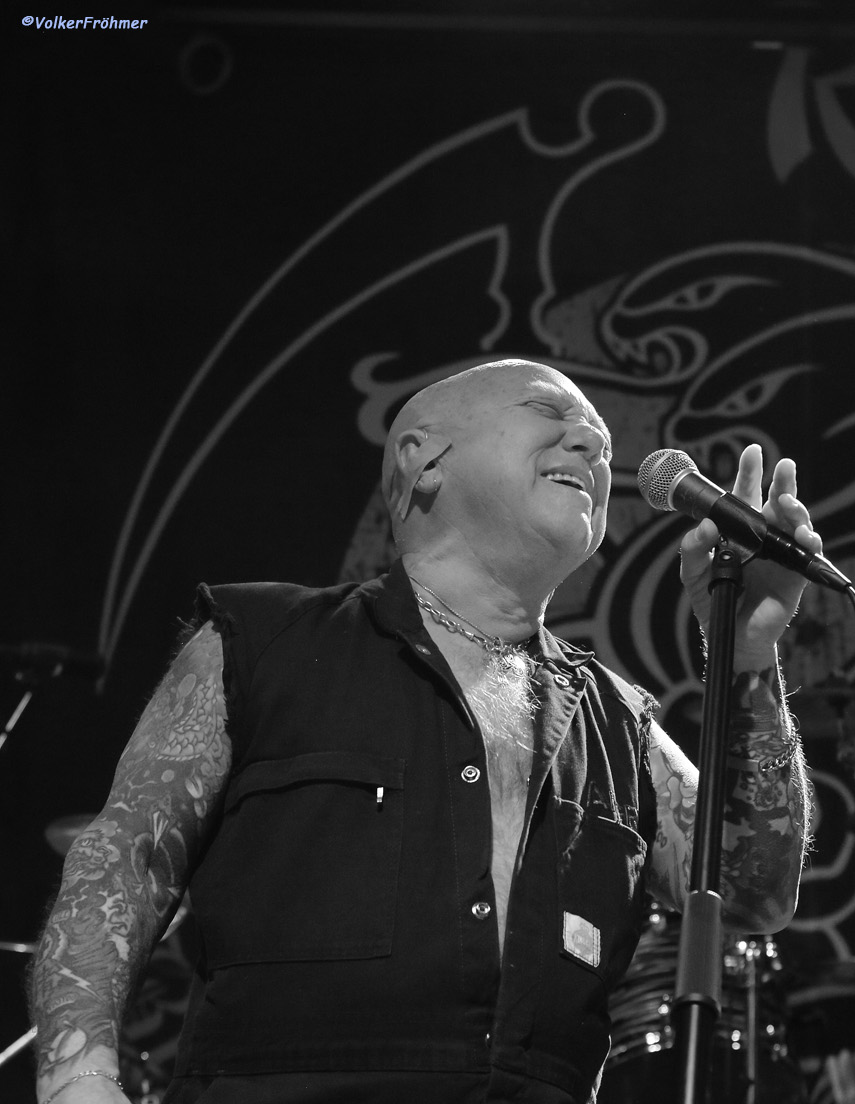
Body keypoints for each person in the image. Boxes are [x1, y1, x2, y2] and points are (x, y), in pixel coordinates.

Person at [28, 359, 815, 1104]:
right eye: (550, 413)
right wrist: (77, 1079)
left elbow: (756, 890)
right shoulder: (261, 645)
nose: (591, 445)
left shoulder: (617, 722)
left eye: (604, 446)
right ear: (423, 459)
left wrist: (748, 656)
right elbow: (125, 861)